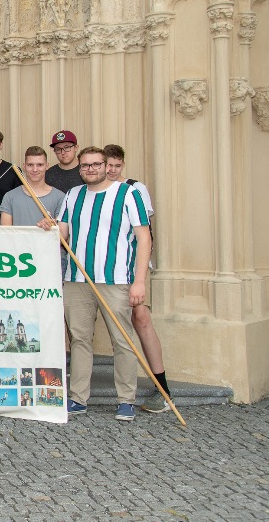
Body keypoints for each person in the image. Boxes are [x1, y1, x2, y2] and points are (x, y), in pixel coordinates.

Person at [44, 146, 152, 422]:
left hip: (115, 280)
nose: (90, 169)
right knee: (79, 340)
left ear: (107, 166)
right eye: (85, 166)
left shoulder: (128, 194)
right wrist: (49, 227)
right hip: (77, 280)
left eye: (96, 164)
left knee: (122, 340)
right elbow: (63, 234)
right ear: (80, 169)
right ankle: (78, 398)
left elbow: (144, 238)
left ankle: (126, 399)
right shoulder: (73, 195)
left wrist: (139, 282)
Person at [104, 143, 171, 413]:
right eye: (107, 165)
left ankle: (163, 388)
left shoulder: (134, 189)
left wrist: (139, 277)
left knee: (141, 318)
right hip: (105, 269)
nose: (111, 170)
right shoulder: (90, 189)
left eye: (116, 166)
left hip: (132, 267)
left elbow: (145, 234)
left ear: (122, 165)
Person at [0, 147, 66, 228]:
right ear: (24, 166)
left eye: (40, 165)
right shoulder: (10, 196)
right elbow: (6, 234)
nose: (35, 169)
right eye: (30, 165)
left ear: (47, 166)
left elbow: (62, 234)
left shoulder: (60, 197)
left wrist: (51, 226)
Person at [45, 130, 84, 194]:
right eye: (58, 149)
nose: (63, 152)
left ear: (76, 148)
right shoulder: (49, 174)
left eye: (67, 147)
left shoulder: (86, 170)